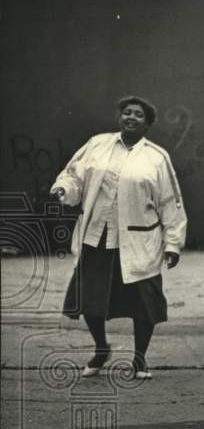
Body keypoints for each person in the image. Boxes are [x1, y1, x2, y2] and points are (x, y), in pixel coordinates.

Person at [51, 96, 187, 379]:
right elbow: (73, 176)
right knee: (90, 297)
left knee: (143, 302)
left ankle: (140, 359)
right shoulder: (97, 144)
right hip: (96, 236)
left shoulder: (157, 157)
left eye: (139, 115)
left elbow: (170, 201)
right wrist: (65, 189)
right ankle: (101, 349)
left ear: (147, 124)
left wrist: (173, 242)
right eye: (127, 112)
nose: (131, 118)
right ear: (119, 117)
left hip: (139, 241)